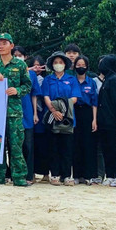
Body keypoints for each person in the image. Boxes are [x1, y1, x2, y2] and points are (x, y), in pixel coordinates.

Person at [0, 33, 32, 187]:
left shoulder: (20, 65)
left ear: (11, 46)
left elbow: (28, 85)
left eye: (4, 43)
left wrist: (17, 90)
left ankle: (19, 177)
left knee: (16, 146)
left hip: (14, 112)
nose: (1, 46)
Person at [40, 51, 78, 184]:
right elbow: (45, 96)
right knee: (53, 147)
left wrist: (63, 109)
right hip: (51, 117)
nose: (58, 65)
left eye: (60, 62)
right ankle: (55, 174)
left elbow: (74, 97)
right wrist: (53, 110)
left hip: (67, 117)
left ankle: (67, 175)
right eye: (55, 62)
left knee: (67, 148)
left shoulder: (72, 79)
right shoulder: (48, 80)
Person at [95, 55, 116, 186]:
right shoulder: (107, 79)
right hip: (103, 121)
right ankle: (109, 175)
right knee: (106, 149)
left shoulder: (114, 80)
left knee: (114, 149)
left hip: (112, 122)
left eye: (102, 63)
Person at [71, 55, 100, 184]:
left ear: (87, 67)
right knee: (76, 144)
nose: (80, 67)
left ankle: (89, 175)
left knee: (89, 144)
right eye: (78, 65)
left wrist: (94, 119)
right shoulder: (72, 81)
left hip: (88, 113)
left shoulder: (92, 82)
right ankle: (77, 175)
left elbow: (94, 102)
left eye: (83, 65)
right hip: (74, 111)